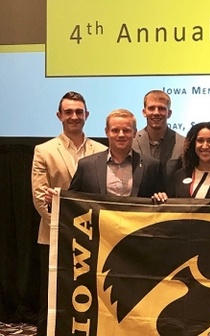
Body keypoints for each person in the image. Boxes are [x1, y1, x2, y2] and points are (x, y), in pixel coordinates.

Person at [31, 91, 107, 336]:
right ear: (59, 116)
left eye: (79, 112)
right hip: (54, 238)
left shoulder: (102, 149)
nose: (74, 117)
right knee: (53, 298)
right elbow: (40, 198)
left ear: (87, 115)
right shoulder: (44, 151)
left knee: (90, 298)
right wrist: (63, 229)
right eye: (68, 112)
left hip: (93, 238)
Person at [68, 109, 167, 201]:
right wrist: (54, 199)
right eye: (115, 130)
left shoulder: (152, 166)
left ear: (134, 133)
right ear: (106, 132)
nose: (121, 135)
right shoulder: (86, 166)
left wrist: (161, 197)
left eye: (126, 130)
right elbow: (70, 201)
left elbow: (161, 200)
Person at [132, 90, 185, 196]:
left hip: (170, 207)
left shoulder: (183, 143)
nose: (156, 112)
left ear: (169, 113)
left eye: (161, 108)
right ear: (144, 112)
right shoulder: (132, 142)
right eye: (151, 108)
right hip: (139, 206)